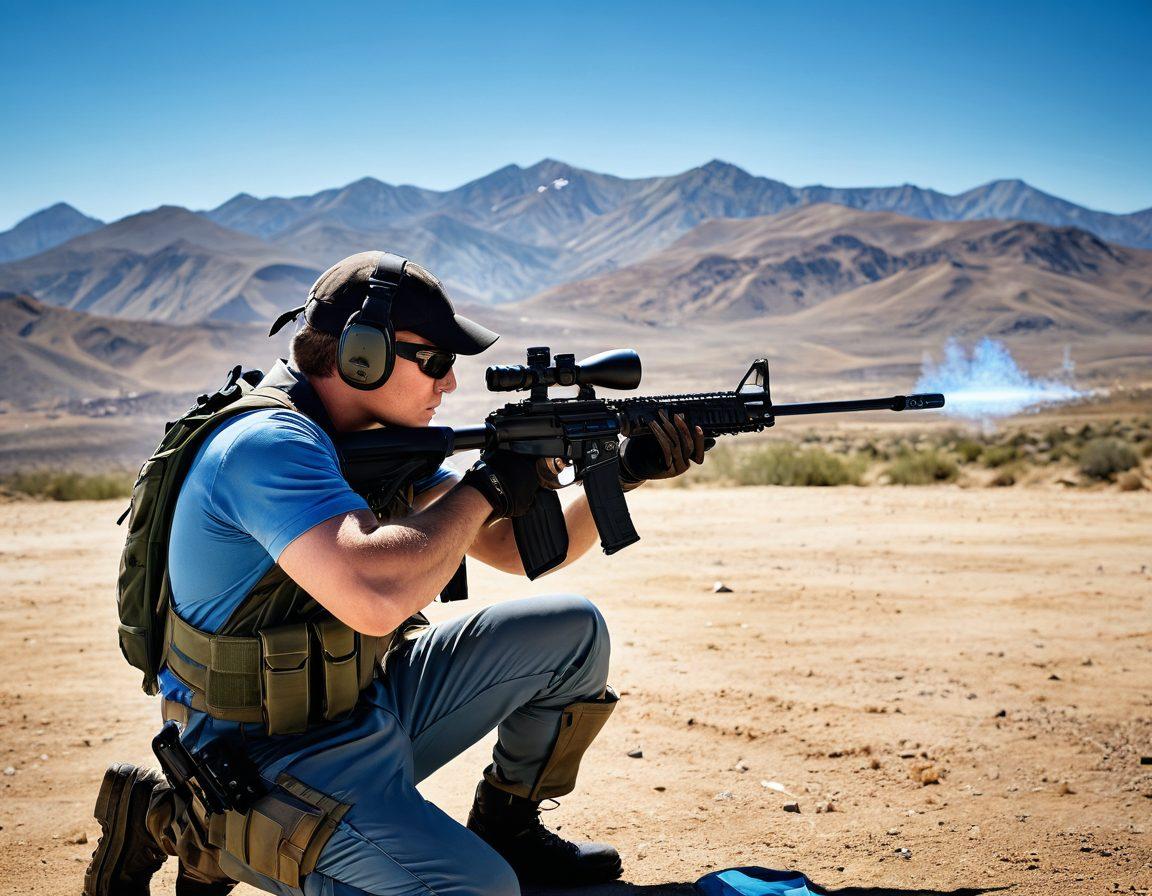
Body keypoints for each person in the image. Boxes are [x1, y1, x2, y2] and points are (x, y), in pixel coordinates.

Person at [84, 251, 709, 896]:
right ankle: (186, 822)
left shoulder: (372, 441)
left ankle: (511, 830)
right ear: (362, 354)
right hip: (258, 753)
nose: (449, 384)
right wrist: (491, 483)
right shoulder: (268, 446)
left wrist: (625, 470)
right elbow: (375, 598)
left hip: (358, 704)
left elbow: (515, 550)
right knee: (476, 891)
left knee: (570, 631)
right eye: (434, 362)